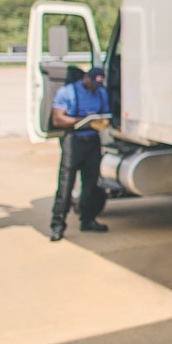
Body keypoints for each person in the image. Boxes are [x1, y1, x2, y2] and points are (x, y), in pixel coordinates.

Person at [49, 64, 111, 241]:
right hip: (74, 140)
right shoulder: (68, 92)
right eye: (92, 83)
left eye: (98, 84)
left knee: (91, 184)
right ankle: (58, 225)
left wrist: (102, 121)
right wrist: (81, 120)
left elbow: (105, 113)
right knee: (66, 184)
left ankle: (88, 219)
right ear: (85, 78)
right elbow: (58, 118)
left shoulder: (100, 92)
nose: (94, 87)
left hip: (93, 140)